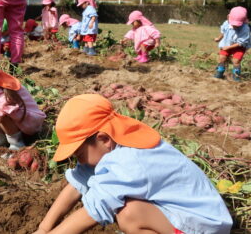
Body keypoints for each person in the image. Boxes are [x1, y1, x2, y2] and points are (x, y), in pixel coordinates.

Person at [34, 94, 232, 234]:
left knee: (129, 214)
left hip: (203, 225)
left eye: (79, 154)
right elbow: (77, 184)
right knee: (128, 210)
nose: (79, 160)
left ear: (103, 139)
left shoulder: (129, 162)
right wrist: (43, 228)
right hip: (186, 214)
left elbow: (93, 211)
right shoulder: (118, 141)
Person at [213, 6, 250, 81]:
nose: (235, 26)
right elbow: (224, 32)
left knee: (236, 61)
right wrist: (219, 38)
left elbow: (241, 42)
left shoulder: (245, 29)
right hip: (226, 43)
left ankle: (236, 76)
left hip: (239, 47)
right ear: (228, 17)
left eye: (237, 25)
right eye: (233, 24)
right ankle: (220, 72)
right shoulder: (226, 23)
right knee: (221, 58)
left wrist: (228, 48)